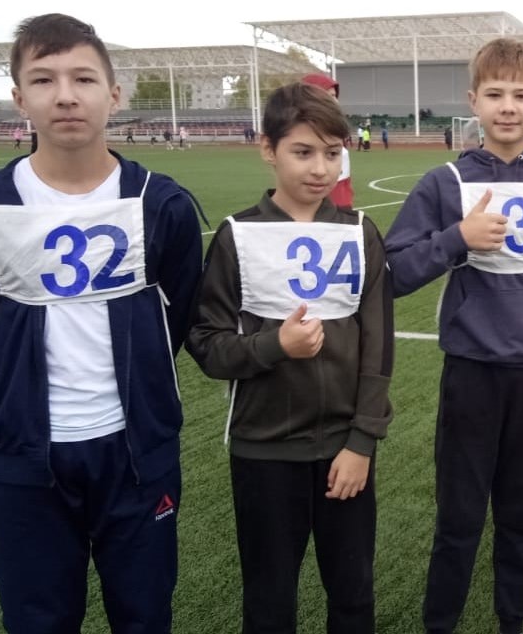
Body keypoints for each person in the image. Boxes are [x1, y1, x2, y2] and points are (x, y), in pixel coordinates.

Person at [0, 12, 203, 633]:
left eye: (83, 78)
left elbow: (180, 312)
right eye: (43, 79)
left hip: (136, 451)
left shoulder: (159, 203)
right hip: (25, 458)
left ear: (114, 94)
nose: (65, 95)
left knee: (145, 616)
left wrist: (142, 385)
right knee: (38, 621)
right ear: (19, 98)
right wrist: (16, 391)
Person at [384, 38, 523, 634]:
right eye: (495, 94)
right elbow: (392, 273)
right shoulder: (446, 182)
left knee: (519, 521)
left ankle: (512, 622)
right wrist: (457, 239)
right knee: (458, 521)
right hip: (472, 375)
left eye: (521, 95)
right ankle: (440, 624)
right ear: (473, 101)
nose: (508, 106)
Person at [187, 82, 393, 634]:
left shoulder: (360, 233)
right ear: (268, 149)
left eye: (332, 152)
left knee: (353, 594)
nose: (320, 168)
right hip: (264, 453)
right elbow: (206, 343)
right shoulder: (237, 236)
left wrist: (362, 441)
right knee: (270, 599)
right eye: (303, 152)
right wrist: (274, 345)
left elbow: (379, 344)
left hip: (345, 452)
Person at [301, 73, 354, 208]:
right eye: (330, 96)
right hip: (322, 209)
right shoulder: (302, 134)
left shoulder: (335, 130)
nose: (336, 102)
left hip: (342, 207)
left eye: (335, 96)